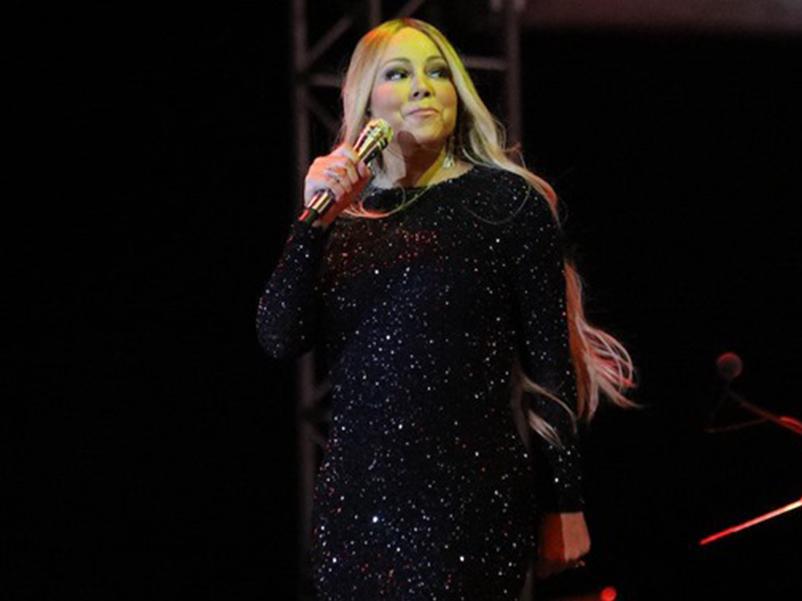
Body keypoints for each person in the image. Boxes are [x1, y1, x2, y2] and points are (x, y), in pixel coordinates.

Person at [256, 17, 639, 600]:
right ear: (365, 100)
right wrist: (313, 224)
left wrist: (564, 501)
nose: (422, 86)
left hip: (468, 502)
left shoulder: (505, 202)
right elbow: (279, 337)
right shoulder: (345, 222)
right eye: (398, 73)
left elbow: (550, 365)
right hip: (356, 513)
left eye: (438, 72)